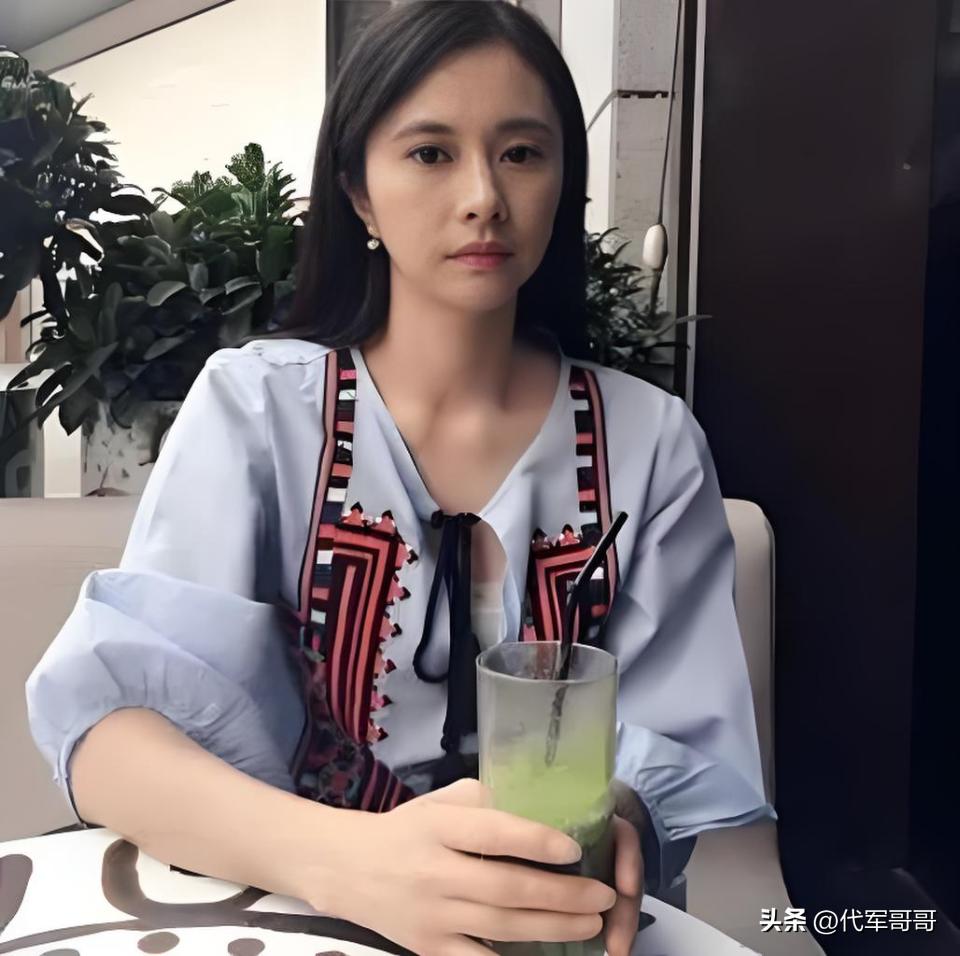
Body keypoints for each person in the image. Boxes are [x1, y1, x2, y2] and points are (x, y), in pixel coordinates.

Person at [25, 2, 775, 954]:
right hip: (291, 912)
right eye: (430, 152)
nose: (483, 196)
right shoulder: (259, 411)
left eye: (522, 153)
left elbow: (672, 751)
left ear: (564, 183)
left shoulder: (650, 441)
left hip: (554, 926)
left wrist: (613, 818)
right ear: (359, 193)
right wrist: (350, 862)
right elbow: (112, 743)